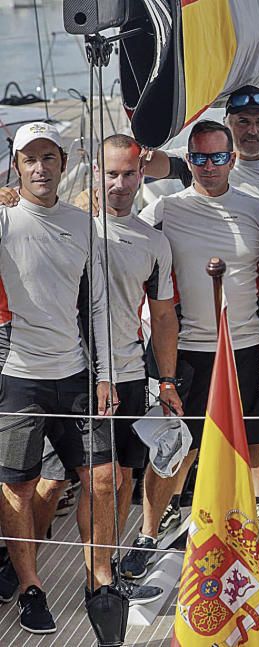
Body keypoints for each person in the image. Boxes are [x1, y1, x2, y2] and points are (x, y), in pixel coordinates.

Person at [20, 136, 181, 604]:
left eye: (129, 174)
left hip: (129, 373)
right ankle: (20, 564)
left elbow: (164, 314)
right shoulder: (72, 226)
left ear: (142, 175)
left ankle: (104, 572)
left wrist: (166, 379)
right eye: (110, 174)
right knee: (52, 481)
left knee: (122, 479)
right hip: (73, 373)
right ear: (94, 174)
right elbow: (28, 211)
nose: (119, 183)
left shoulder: (154, 242)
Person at [127, 120, 259, 575]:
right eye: (198, 157)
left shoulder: (256, 208)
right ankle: (150, 532)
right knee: (178, 445)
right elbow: (120, 235)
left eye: (218, 157)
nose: (208, 166)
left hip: (247, 344)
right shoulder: (166, 209)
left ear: (232, 159)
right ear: (187, 161)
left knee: (255, 435)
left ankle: (254, 511)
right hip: (188, 350)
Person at [0, 122, 116, 633]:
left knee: (103, 479)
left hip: (75, 374)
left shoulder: (85, 224)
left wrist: (106, 374)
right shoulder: (3, 221)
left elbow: (95, 304)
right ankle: (30, 587)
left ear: (63, 165)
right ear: (17, 165)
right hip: (18, 376)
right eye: (30, 159)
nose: (40, 167)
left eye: (49, 158)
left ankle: (101, 577)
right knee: (18, 488)